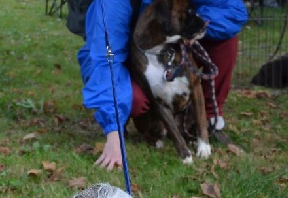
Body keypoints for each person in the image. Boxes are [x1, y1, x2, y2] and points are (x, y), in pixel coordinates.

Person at [78, 0, 248, 170]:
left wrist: (191, 22)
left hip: (169, 41)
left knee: (227, 42)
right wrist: (113, 131)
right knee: (136, 101)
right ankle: (128, 122)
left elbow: (231, 8)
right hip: (137, 52)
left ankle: (209, 121)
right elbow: (106, 57)